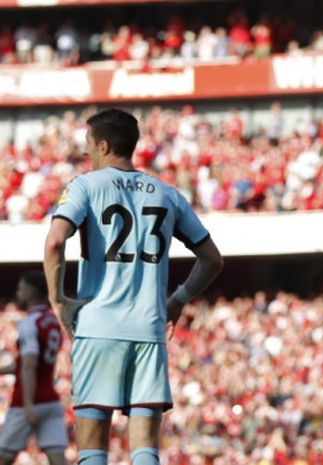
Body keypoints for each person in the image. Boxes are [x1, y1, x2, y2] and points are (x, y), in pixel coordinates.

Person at [43, 108, 224, 465]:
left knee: (93, 444)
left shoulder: (85, 185)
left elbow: (54, 243)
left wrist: (57, 299)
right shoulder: (167, 193)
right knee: (145, 450)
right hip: (148, 328)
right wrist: (179, 299)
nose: (85, 152)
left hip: (98, 327)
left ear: (105, 145)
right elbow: (212, 260)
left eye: (88, 144)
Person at [0, 271, 68, 465]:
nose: (18, 291)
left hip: (27, 400)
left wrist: (29, 403)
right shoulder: (52, 321)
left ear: (32, 292)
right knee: (57, 458)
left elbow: (29, 365)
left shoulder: (29, 323)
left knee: (3, 456)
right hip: (51, 400)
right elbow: (29, 363)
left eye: (21, 287)